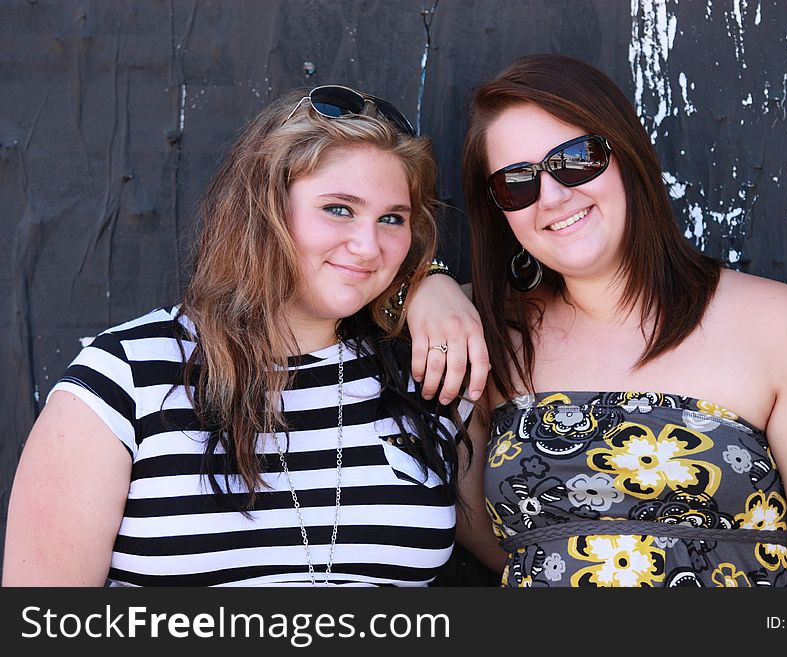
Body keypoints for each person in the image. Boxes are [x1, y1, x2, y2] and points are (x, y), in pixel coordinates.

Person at [2, 84, 487, 587]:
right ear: (265, 210)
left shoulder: (427, 373)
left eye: (392, 218)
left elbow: (535, 542)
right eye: (339, 208)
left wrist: (431, 280)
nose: (368, 246)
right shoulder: (126, 376)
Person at [448, 54, 787, 586]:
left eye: (576, 159)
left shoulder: (777, 326)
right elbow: (495, 542)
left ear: (626, 156)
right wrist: (429, 287)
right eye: (517, 183)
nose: (554, 196)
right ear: (500, 211)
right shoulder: (484, 334)